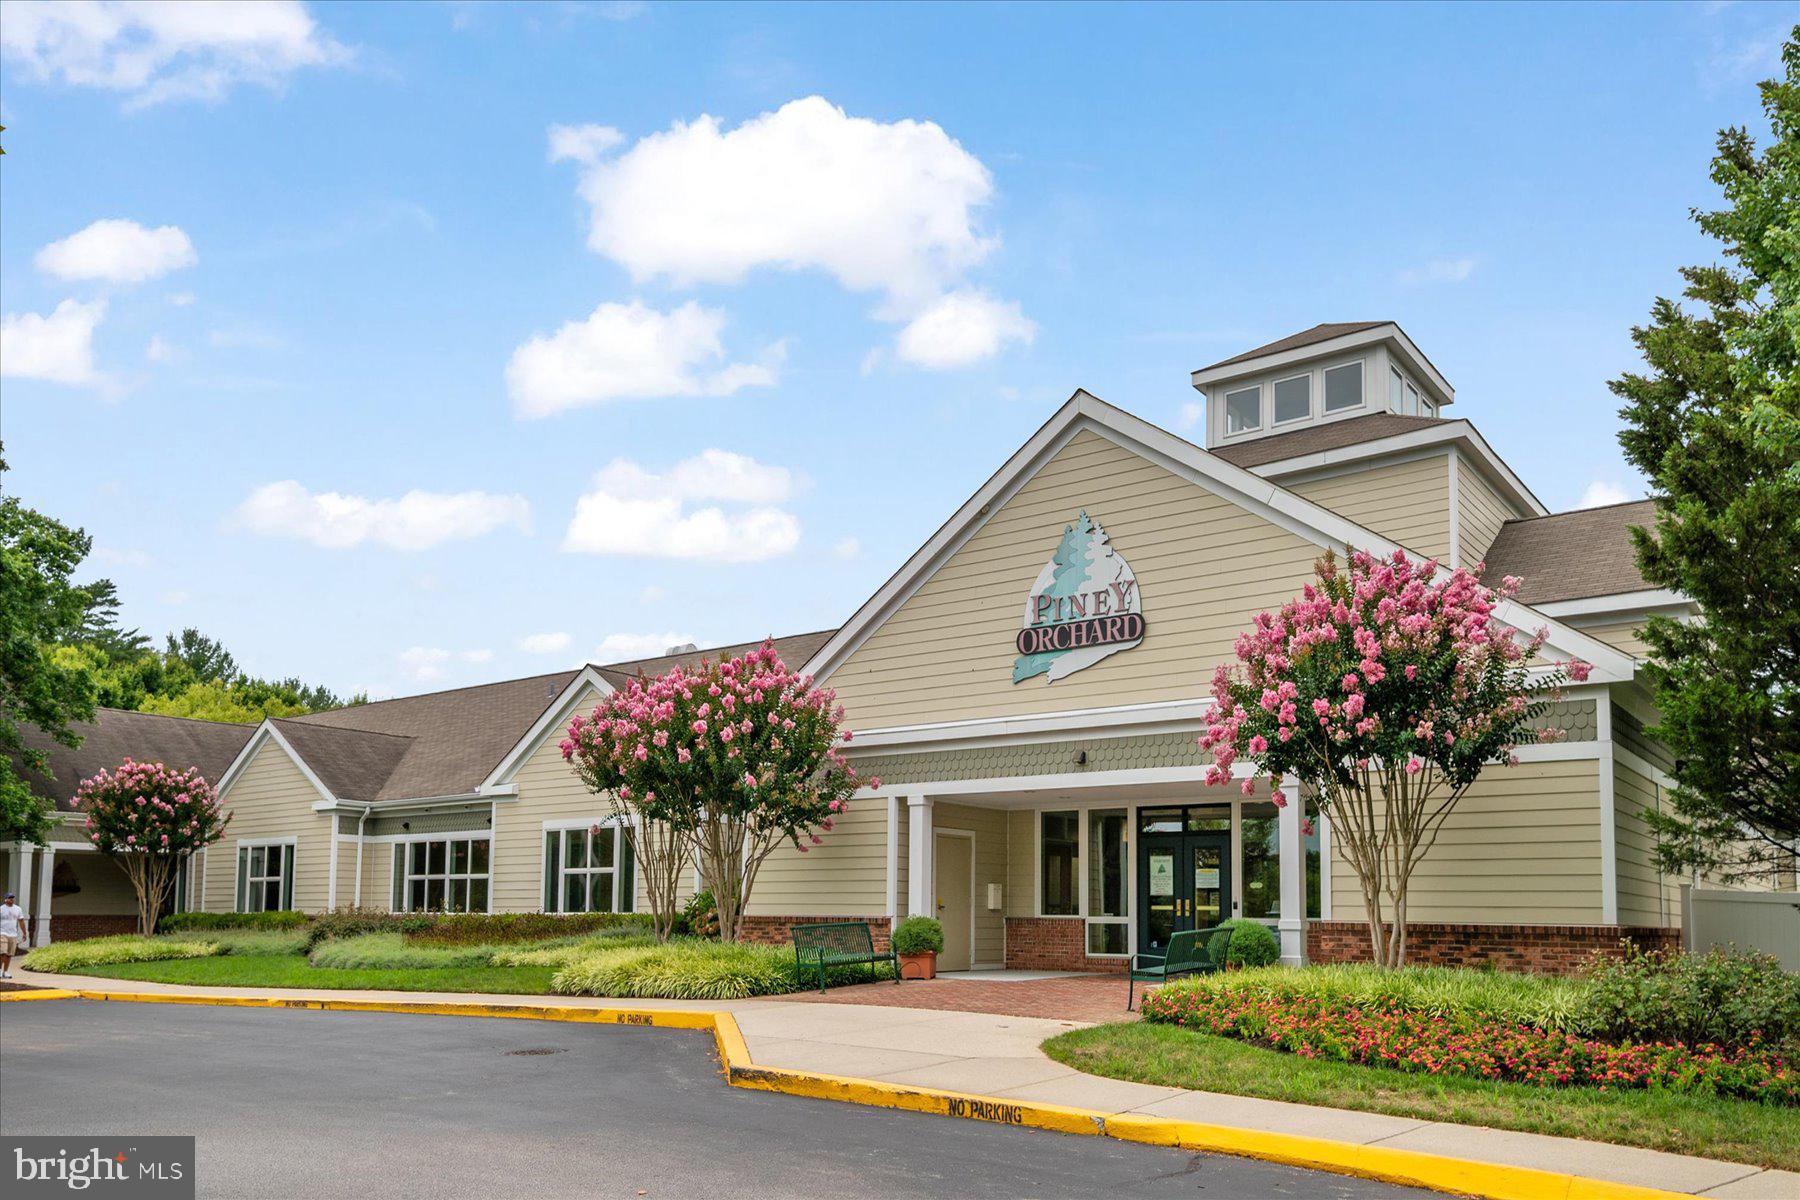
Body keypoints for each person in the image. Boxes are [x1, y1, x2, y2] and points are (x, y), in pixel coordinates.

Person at [0, 890, 26, 979]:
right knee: (2, 952)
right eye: (9, 898)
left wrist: (24, 933)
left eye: (12, 898)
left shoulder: (18, 909)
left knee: (9, 954)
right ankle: (0, 970)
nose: (11, 899)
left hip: (13, 934)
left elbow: (21, 921)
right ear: (5, 900)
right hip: (2, 933)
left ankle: (5, 972)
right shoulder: (1, 908)